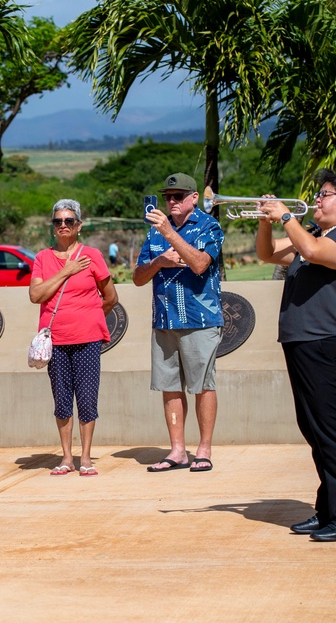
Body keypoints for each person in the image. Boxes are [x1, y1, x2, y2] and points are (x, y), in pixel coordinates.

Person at [256, 170, 336, 542]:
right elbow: (267, 254)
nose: (318, 200)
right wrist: (264, 222)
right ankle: (329, 511)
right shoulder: (315, 235)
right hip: (306, 345)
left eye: (325, 195)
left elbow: (310, 252)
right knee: (317, 433)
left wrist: (287, 217)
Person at [134, 172, 224, 473]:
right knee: (169, 387)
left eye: (178, 196)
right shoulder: (154, 231)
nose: (171, 201)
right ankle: (177, 450)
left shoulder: (209, 225)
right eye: (168, 197)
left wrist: (171, 235)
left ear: (193, 198)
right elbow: (137, 278)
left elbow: (200, 264)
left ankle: (204, 449)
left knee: (202, 385)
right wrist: (159, 261)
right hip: (164, 319)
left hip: (200, 320)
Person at [29, 200, 117, 476]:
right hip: (56, 340)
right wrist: (66, 270)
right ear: (53, 227)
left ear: (78, 225)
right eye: (58, 221)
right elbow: (36, 295)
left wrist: (88, 315)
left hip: (88, 339)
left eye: (69, 221)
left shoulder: (91, 255)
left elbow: (111, 297)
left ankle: (86, 457)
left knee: (88, 398)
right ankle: (67, 457)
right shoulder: (43, 258)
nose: (63, 225)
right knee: (62, 399)